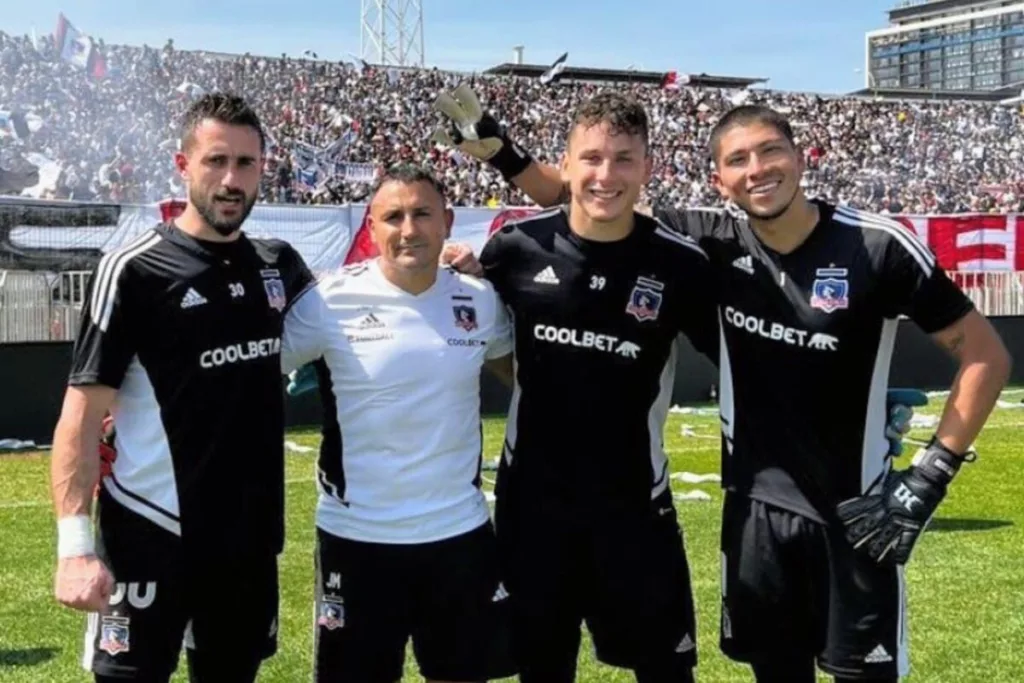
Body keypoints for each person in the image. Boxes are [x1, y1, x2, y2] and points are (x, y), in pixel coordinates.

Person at [432, 86, 1012, 683]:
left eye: (769, 152)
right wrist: (503, 158)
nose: (757, 170)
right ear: (718, 179)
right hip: (745, 514)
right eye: (738, 160)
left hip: (848, 513)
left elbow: (984, 353)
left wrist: (929, 473)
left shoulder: (861, 247)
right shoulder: (699, 242)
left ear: (801, 156)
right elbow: (593, 202)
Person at [438, 90, 727, 683]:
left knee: (667, 672)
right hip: (532, 508)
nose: (606, 174)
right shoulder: (515, 250)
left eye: (624, 159)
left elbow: (746, 362)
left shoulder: (681, 265)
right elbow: (493, 346)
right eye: (591, 158)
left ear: (648, 169)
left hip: (635, 508)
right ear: (565, 165)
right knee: (541, 669)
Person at [50, 92, 315, 683]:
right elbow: (80, 415)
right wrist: (75, 547)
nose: (230, 180)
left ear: (263, 170)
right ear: (183, 165)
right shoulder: (135, 269)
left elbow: (355, 308)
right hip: (150, 533)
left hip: (248, 542)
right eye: (215, 161)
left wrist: (461, 266)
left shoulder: (279, 264)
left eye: (246, 164)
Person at [278, 163, 519, 683]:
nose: (408, 229)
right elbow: (251, 369)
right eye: (393, 217)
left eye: (422, 214)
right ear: (372, 226)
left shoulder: (478, 300)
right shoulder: (326, 302)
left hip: (459, 536)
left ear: (448, 221)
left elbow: (519, 372)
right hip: (358, 538)